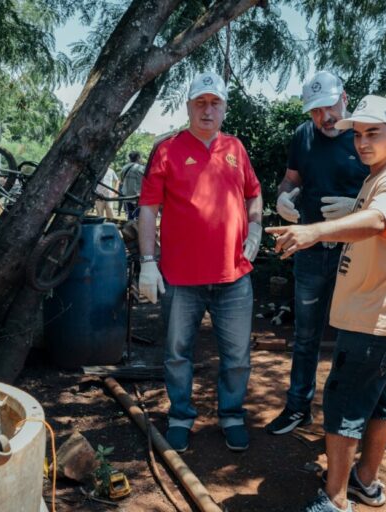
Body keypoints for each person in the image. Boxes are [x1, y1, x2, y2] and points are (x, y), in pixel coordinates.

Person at [268, 95, 386, 512]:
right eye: (357, 134)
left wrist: (315, 232)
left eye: (372, 133)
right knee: (380, 399)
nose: (361, 142)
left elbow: (379, 221)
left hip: (372, 318)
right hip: (375, 313)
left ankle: (335, 499)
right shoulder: (379, 175)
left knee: (343, 404)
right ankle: (365, 482)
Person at [137, 71, 263, 453]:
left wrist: (255, 228)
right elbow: (147, 209)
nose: (208, 110)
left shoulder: (236, 148)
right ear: (188, 106)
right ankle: (180, 415)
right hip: (180, 277)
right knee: (177, 352)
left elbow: (254, 194)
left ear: (224, 108)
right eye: (200, 103)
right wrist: (147, 260)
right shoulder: (167, 150)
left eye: (215, 103)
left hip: (234, 276)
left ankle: (231, 415)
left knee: (238, 355)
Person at [266, 71, 369, 435]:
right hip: (309, 250)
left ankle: (342, 418)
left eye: (329, 106)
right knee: (306, 335)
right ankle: (298, 407)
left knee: (349, 338)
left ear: (345, 96)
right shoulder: (303, 135)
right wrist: (283, 197)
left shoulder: (366, 136)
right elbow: (292, 178)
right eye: (315, 110)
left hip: (353, 253)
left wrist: (357, 206)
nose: (324, 116)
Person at [120, 151, 145, 220]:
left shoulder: (124, 168)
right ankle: (137, 229)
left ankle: (130, 228)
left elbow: (122, 180)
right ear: (138, 158)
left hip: (127, 195)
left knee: (130, 214)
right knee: (138, 216)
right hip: (138, 196)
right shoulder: (142, 168)